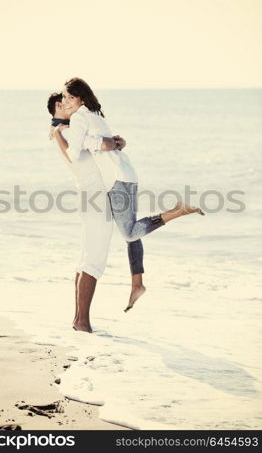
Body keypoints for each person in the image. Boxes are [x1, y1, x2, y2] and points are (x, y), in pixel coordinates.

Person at [54, 77, 205, 313]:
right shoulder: (95, 114)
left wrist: (64, 133)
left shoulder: (81, 116)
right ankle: (138, 283)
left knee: (130, 231)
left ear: (78, 98)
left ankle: (178, 211)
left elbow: (75, 153)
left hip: (117, 179)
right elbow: (109, 142)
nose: (64, 102)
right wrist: (102, 141)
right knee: (131, 231)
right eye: (62, 99)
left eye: (66, 97)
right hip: (126, 175)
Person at [48, 92, 126, 333]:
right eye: (67, 102)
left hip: (88, 197)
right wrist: (116, 143)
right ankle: (82, 322)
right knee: (93, 262)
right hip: (96, 199)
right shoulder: (69, 131)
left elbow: (88, 149)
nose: (72, 105)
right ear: (60, 106)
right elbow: (97, 146)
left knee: (86, 259)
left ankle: (78, 319)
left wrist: (114, 140)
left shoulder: (63, 131)